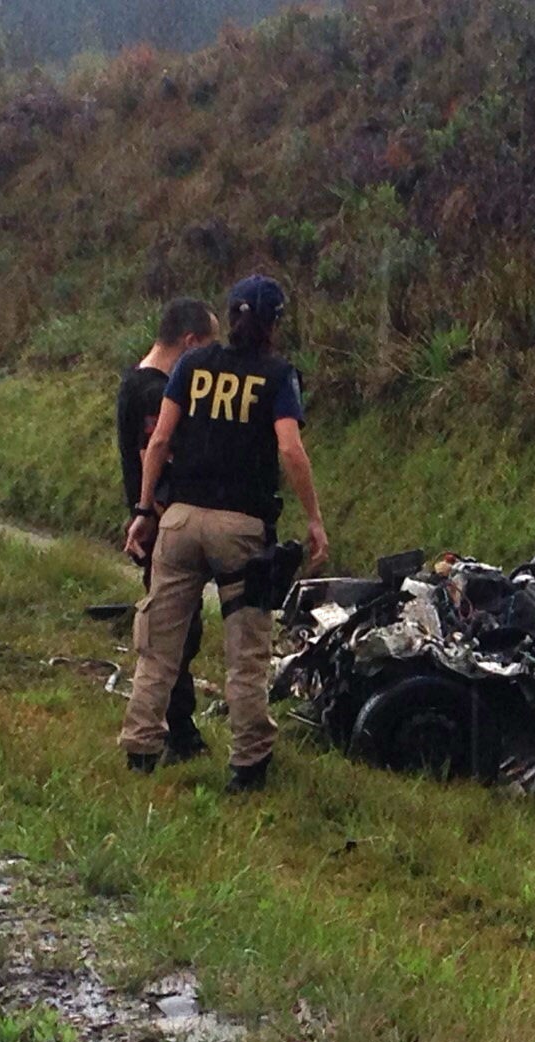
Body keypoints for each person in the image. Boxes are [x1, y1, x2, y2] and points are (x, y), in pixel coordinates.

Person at [119, 275, 329, 792]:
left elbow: (161, 439)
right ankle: (247, 766)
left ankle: (142, 749)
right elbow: (289, 449)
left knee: (159, 646)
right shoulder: (278, 375)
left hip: (181, 520)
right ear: (273, 323)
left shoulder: (191, 365)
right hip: (241, 529)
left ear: (230, 318)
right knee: (246, 653)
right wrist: (315, 519)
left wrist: (145, 510)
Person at [116, 297, 218, 762]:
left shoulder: (133, 381)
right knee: (173, 635)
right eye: (208, 346)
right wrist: (154, 514)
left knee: (175, 633)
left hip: (150, 519)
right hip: (160, 524)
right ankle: (177, 736)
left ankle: (179, 729)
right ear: (191, 342)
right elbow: (151, 458)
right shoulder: (157, 393)